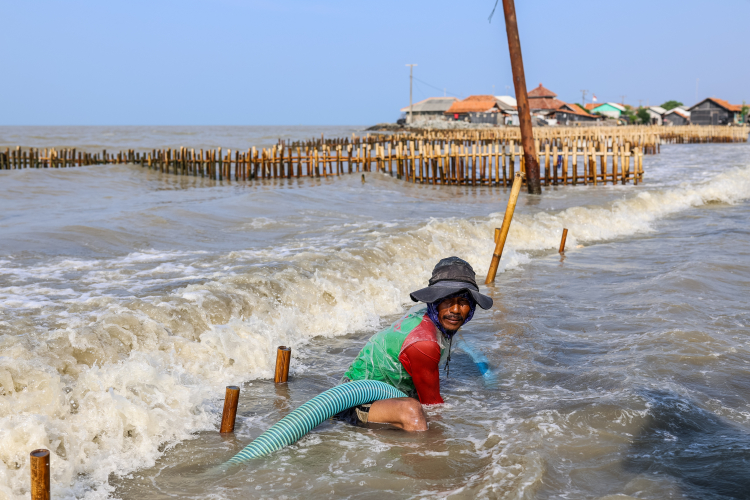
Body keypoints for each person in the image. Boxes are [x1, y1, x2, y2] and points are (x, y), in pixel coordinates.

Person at [335, 257, 493, 431]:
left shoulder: (427, 316)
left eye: (463, 302)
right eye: (447, 300)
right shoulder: (425, 343)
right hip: (353, 402)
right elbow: (433, 407)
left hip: (378, 396)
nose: (455, 310)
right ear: (435, 302)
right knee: (413, 413)